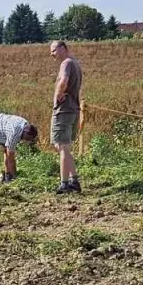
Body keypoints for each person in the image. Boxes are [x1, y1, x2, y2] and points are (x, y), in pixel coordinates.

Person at [49, 41, 84, 193]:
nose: (52, 54)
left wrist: (57, 95)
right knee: (62, 146)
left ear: (63, 49)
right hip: (73, 109)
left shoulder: (66, 63)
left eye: (53, 50)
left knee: (62, 146)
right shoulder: (75, 63)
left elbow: (63, 81)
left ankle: (64, 184)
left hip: (64, 110)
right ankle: (74, 180)